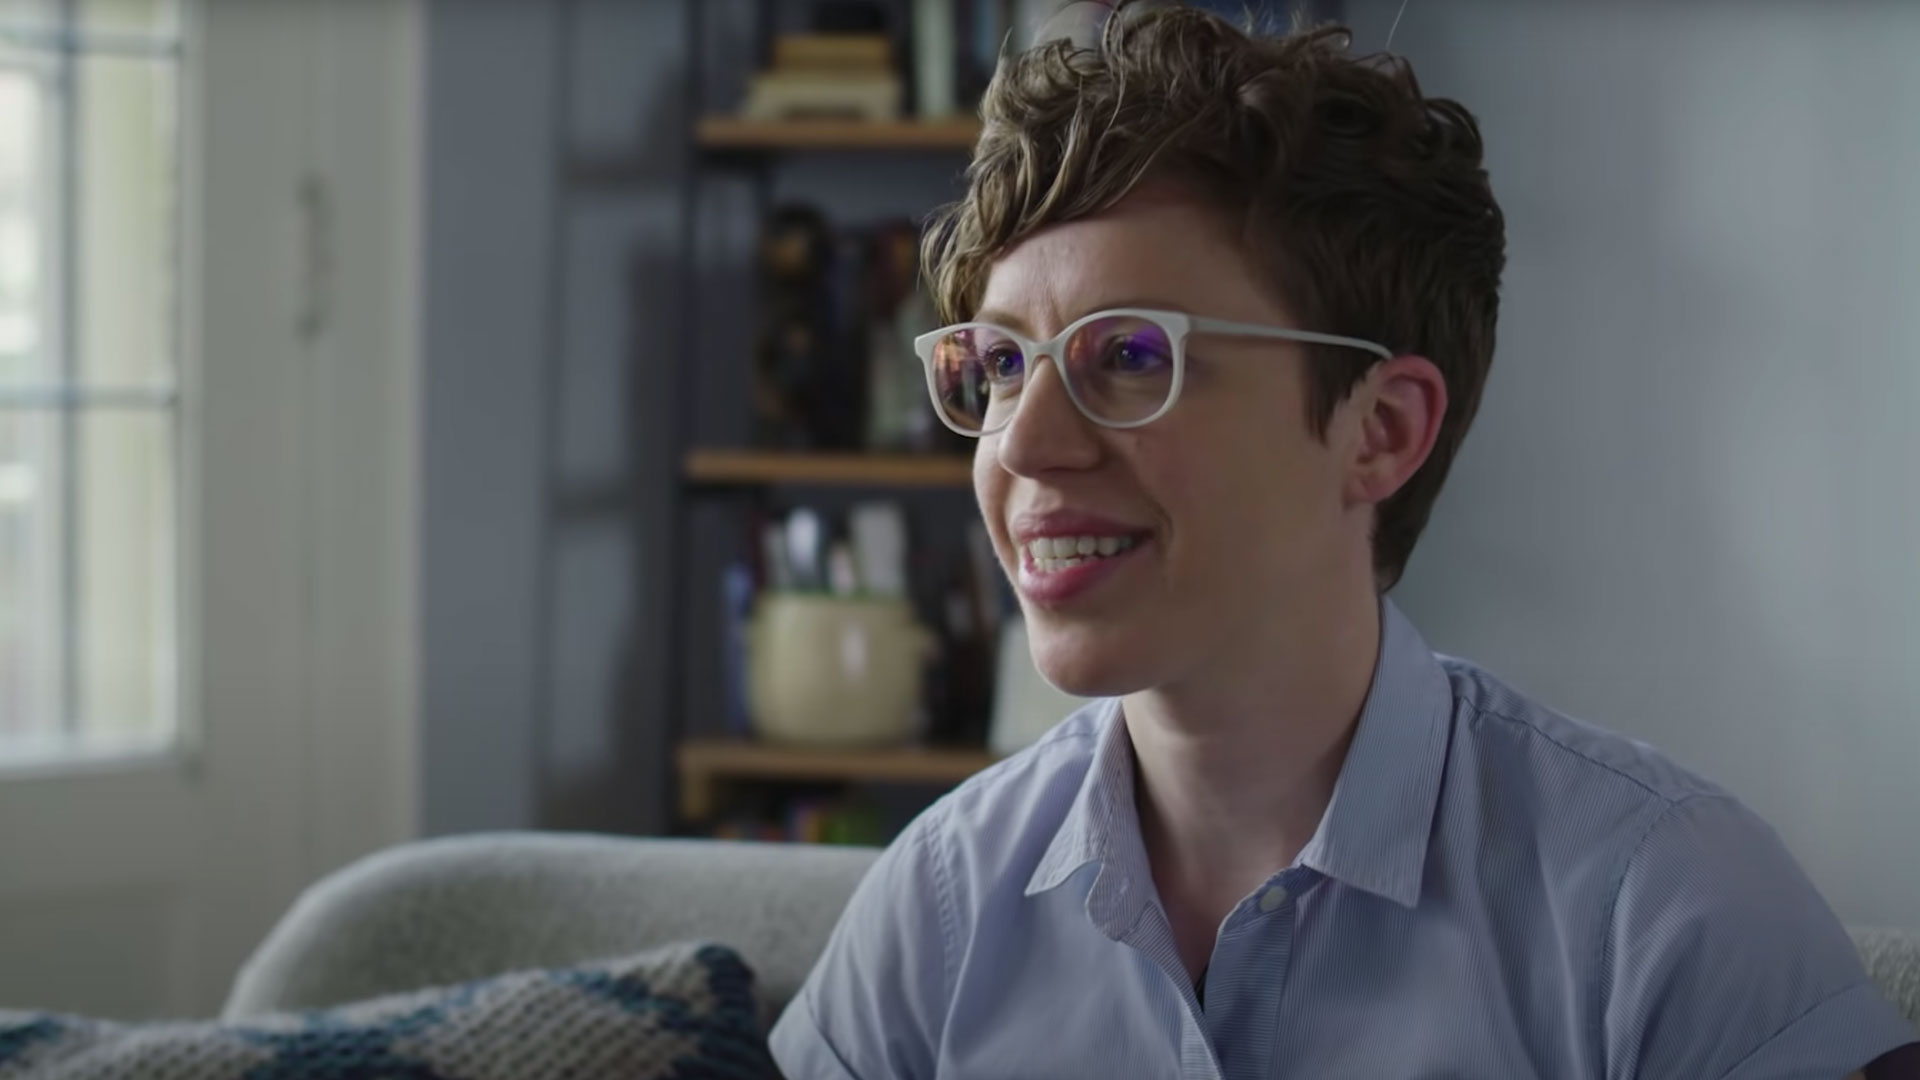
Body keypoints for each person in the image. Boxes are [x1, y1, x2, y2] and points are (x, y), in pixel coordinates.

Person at [768, 4, 1917, 1077]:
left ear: (1380, 431)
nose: (1025, 447)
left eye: (1129, 358)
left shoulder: (1667, 910)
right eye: (1002, 364)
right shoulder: (936, 915)